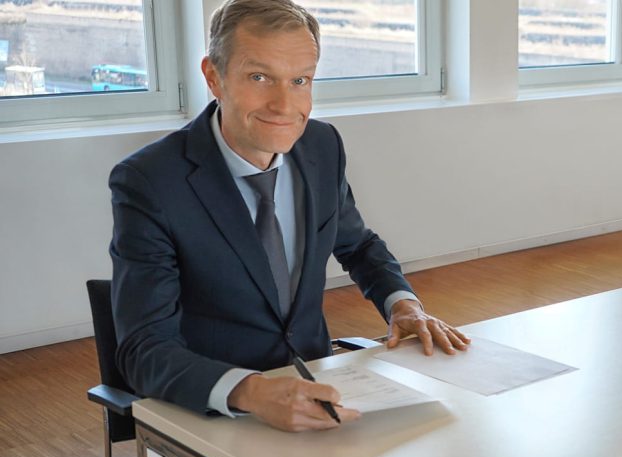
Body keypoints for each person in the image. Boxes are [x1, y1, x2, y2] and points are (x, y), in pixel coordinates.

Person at [109, 0, 468, 432]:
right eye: (259, 77)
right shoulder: (150, 181)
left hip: (320, 393)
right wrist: (250, 392)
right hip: (217, 412)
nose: (283, 105)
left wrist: (402, 305)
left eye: (300, 80)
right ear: (213, 77)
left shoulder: (321, 145)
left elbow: (358, 245)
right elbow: (144, 350)